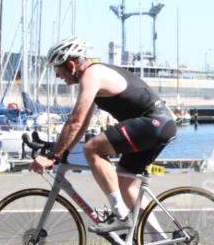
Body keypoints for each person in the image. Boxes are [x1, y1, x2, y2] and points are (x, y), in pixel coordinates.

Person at [30, 36, 177, 234]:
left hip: (153, 124)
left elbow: (75, 121)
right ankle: (159, 240)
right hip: (160, 125)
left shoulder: (92, 75)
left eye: (58, 69)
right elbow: (80, 125)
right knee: (125, 184)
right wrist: (60, 149)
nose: (57, 76)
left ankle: (121, 216)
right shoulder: (94, 76)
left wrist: (53, 156)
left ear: (71, 65)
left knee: (92, 148)